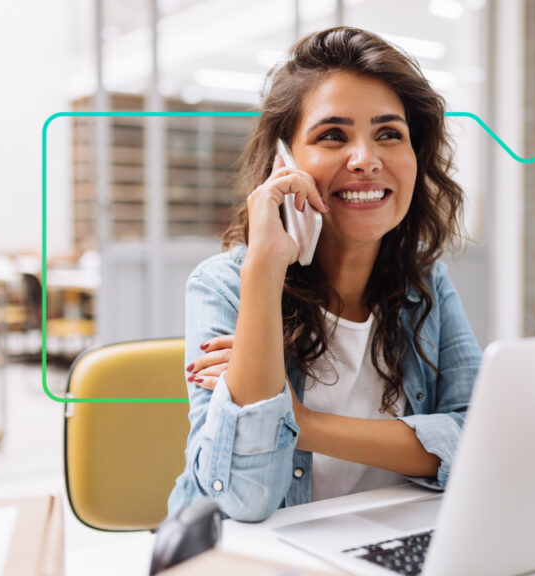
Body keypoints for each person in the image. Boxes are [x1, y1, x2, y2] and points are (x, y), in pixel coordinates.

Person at [165, 26, 482, 522]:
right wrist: (265, 268)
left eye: (389, 134)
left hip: (383, 544)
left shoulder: (425, 282)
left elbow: (481, 443)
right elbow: (243, 501)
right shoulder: (225, 285)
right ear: (283, 161)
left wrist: (302, 422)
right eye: (333, 135)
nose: (366, 160)